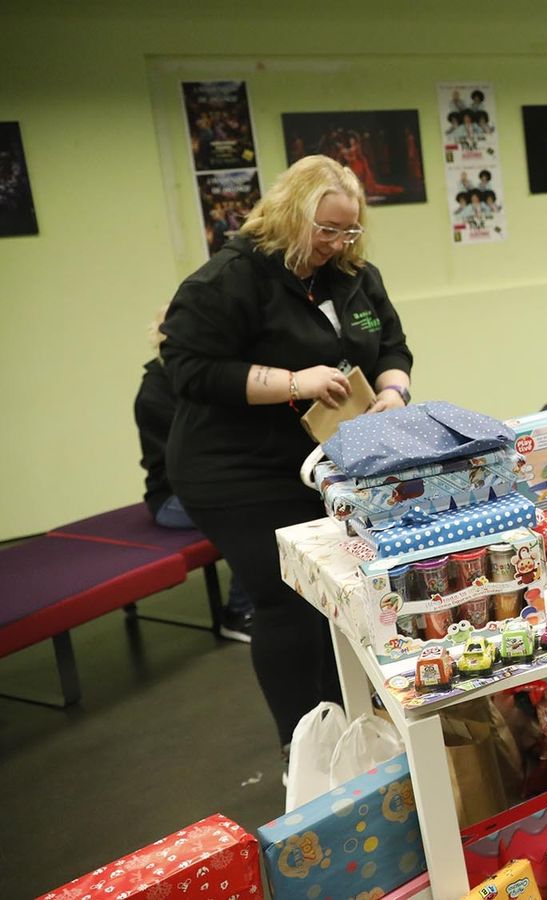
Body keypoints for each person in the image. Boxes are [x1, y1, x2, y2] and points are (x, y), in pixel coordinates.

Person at [160, 154, 413, 777]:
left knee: (348, 591)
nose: (337, 243)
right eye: (325, 230)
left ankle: (364, 726)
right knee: (286, 600)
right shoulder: (230, 279)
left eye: (349, 230)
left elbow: (391, 346)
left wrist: (393, 392)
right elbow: (188, 370)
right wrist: (292, 381)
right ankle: (306, 751)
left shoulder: (354, 275)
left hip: (323, 462)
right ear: (291, 216)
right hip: (235, 469)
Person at [136, 322, 255, 644]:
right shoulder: (155, 395)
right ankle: (239, 612)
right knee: (248, 514)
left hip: (207, 483)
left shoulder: (197, 382)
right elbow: (194, 457)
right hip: (172, 498)